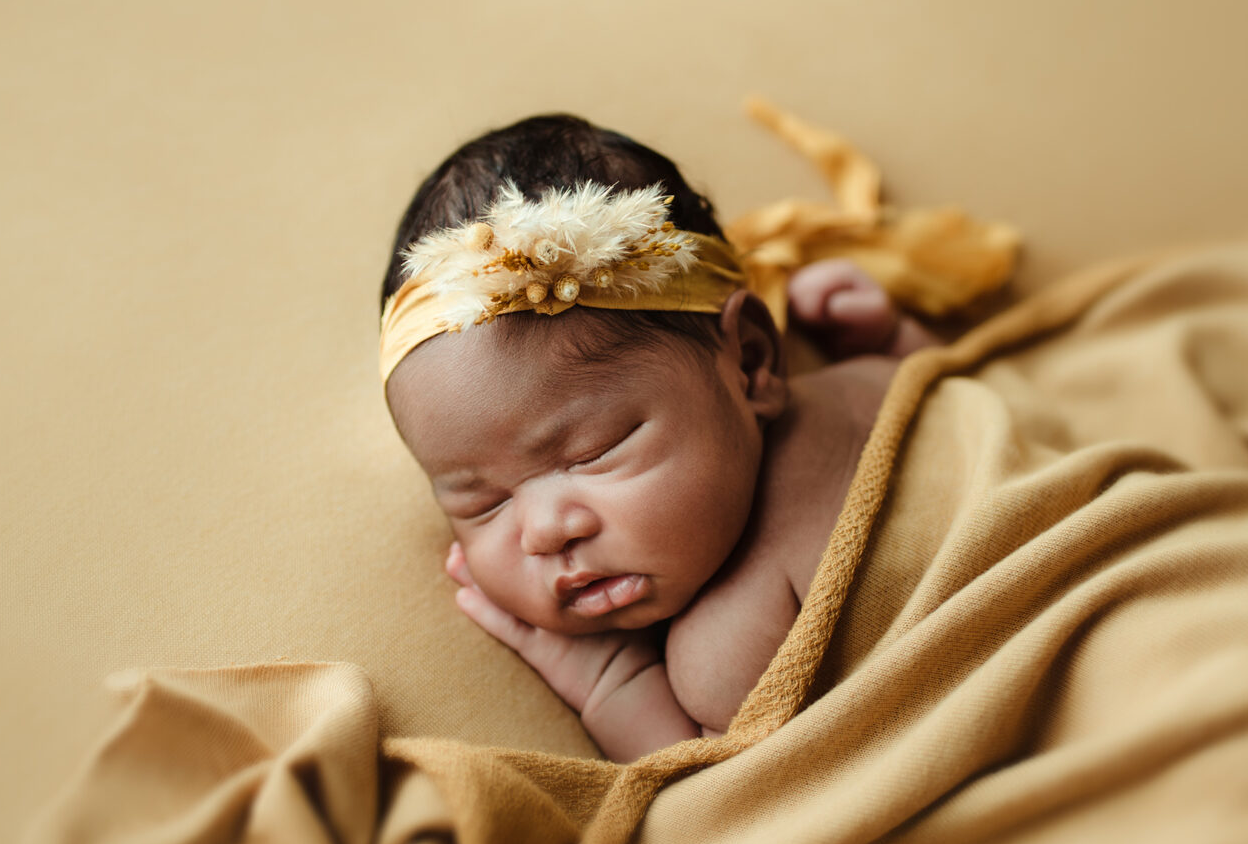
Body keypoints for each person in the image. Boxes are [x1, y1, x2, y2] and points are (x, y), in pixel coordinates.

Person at [379, 114, 940, 761]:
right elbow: (954, 381)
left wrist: (607, 680)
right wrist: (893, 341)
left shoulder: (722, 657)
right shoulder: (867, 382)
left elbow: (723, 794)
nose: (543, 532)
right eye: (482, 503)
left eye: (592, 451)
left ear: (753, 362)